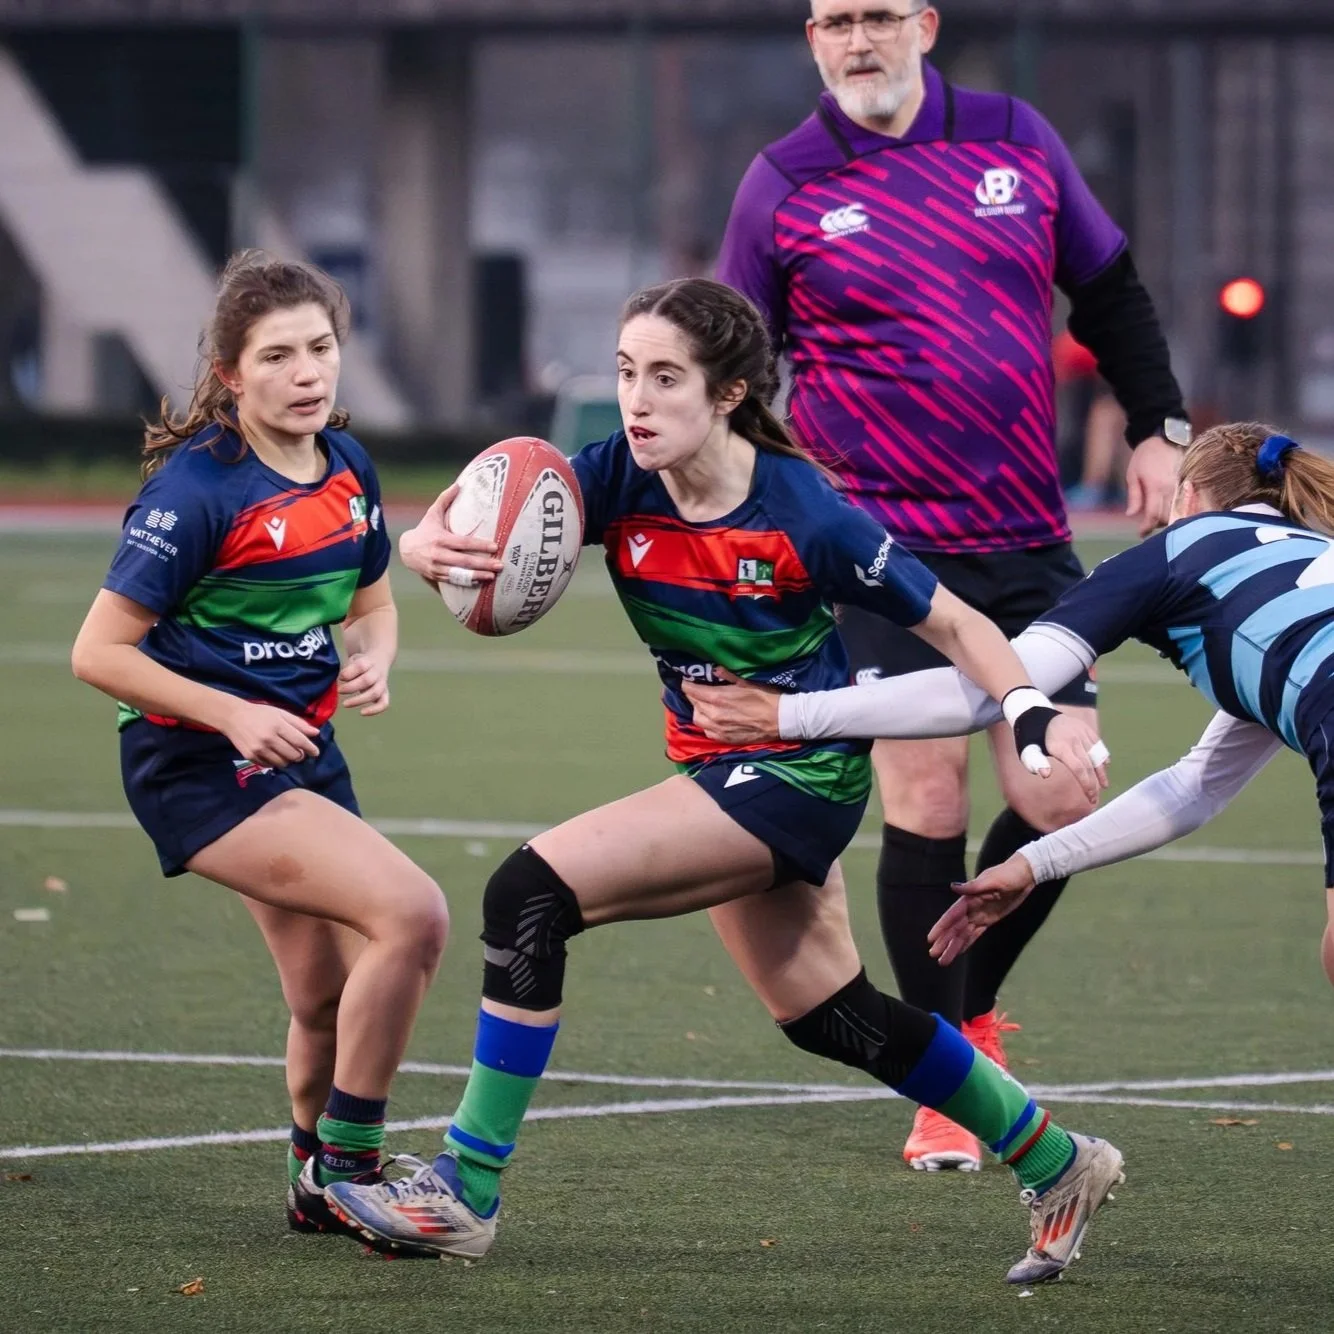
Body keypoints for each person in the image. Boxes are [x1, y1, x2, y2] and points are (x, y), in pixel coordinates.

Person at [323, 277, 1120, 1286]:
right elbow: (484, 518)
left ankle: (464, 1189)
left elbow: (959, 627)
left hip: (799, 777)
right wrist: (419, 543)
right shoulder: (612, 477)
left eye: (665, 378)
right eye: (623, 374)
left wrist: (1027, 710)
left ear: (729, 392)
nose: (636, 401)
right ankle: (1061, 1160)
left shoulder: (805, 515)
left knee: (527, 893)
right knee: (829, 1012)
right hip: (717, 766)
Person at [714, 0, 1192, 1170]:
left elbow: (1111, 287)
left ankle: (958, 1015)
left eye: (878, 14)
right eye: (833, 20)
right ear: (811, 38)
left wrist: (1157, 425)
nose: (857, 38)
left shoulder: (1014, 137)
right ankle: (954, 1066)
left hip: (1026, 542)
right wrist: (756, 509)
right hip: (876, 552)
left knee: (1063, 800)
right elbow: (731, 362)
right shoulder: (781, 182)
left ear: (924, 24)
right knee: (922, 795)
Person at [70, 251, 452, 1237]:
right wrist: (229, 711)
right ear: (232, 375)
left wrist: (374, 655)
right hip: (196, 765)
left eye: (319, 347)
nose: (306, 372)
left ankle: (307, 1179)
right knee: (411, 913)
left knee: (322, 992)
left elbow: (371, 603)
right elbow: (98, 652)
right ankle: (352, 1166)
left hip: (299, 754)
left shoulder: (348, 466)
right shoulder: (197, 492)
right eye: (276, 355)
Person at [680, 421, 1334, 986]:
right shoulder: (1307, 565)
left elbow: (990, 690)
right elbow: (1198, 785)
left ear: (1187, 496)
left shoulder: (1171, 553)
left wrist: (789, 716)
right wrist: (1033, 863)